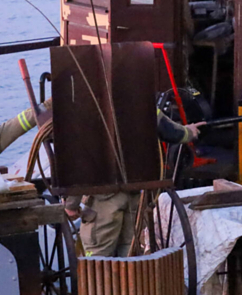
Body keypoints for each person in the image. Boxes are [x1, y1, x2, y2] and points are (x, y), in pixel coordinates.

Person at [71, 109, 204, 258]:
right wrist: (189, 132)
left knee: (97, 260)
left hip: (103, 200)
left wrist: (71, 204)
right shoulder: (138, 94)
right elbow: (168, 129)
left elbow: (76, 159)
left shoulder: (86, 101)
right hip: (134, 195)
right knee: (130, 254)